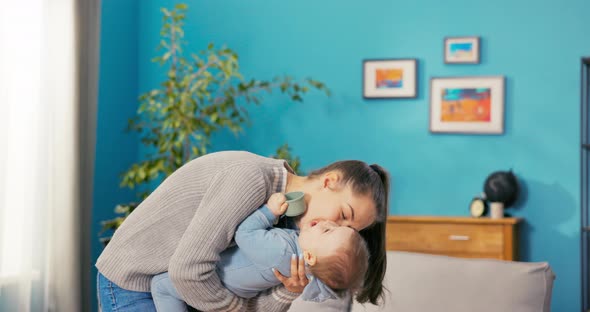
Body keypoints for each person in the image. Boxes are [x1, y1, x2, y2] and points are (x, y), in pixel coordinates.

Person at [96, 150, 390, 311]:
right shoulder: (252, 180)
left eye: (347, 230)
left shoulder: (297, 233)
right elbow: (187, 271)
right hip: (134, 283)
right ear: (329, 181)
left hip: (178, 289)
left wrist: (287, 293)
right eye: (342, 216)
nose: (333, 229)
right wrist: (234, 309)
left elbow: (248, 301)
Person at [150, 193, 370, 311]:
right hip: (232, 289)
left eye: (328, 231)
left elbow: (244, 234)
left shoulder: (282, 251)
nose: (327, 222)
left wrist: (269, 211)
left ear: (311, 256)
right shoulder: (305, 265)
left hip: (214, 281)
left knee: (160, 285)